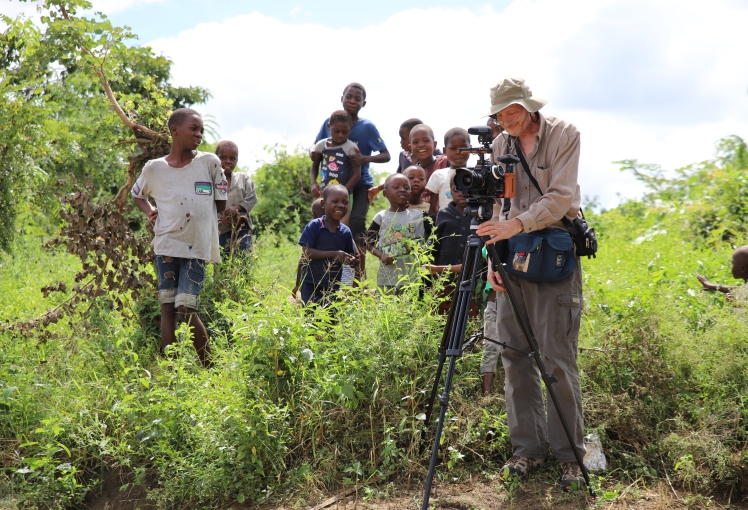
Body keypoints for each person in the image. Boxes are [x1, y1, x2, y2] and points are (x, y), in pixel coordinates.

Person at [475, 78, 586, 490]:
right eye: (500, 114)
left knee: (556, 359)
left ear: (528, 106)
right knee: (514, 356)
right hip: (512, 256)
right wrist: (492, 256)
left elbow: (561, 198)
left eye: (513, 111)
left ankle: (571, 457)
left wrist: (515, 225)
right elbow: (499, 203)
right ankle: (527, 451)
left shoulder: (564, 134)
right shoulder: (501, 144)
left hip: (554, 254)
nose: (507, 120)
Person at [132, 108, 226, 367]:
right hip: (167, 244)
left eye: (201, 130)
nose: (199, 134)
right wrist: (151, 210)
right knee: (167, 306)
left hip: (197, 247)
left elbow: (220, 204)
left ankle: (209, 367)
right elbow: (137, 194)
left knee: (185, 308)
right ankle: (171, 370)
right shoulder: (154, 168)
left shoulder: (209, 163)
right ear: (175, 131)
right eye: (193, 129)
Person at [314, 83, 391, 279]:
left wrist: (365, 158)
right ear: (342, 98)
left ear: (363, 103)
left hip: (360, 182)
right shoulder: (328, 122)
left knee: (357, 224)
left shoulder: (367, 127)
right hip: (335, 185)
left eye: (357, 98)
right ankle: (327, 272)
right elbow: (317, 150)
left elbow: (386, 155)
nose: (352, 101)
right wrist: (317, 180)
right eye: (349, 97)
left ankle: (359, 275)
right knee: (328, 223)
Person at [297, 185, 358, 306]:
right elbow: (307, 252)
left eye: (345, 202)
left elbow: (350, 255)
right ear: (324, 204)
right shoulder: (314, 226)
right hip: (310, 283)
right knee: (310, 317)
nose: (341, 205)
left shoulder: (345, 232)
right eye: (335, 201)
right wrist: (334, 254)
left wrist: (352, 261)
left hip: (333, 286)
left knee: (330, 319)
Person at [367, 173, 426, 294]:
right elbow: (367, 242)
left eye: (406, 187)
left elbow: (431, 239)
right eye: (396, 187)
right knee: (386, 309)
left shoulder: (419, 215)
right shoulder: (382, 217)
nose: (402, 190)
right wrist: (381, 255)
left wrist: (416, 248)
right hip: (387, 279)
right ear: (385, 193)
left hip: (413, 278)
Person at [310, 110, 362, 226]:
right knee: (319, 225)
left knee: (341, 226)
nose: (340, 135)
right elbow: (314, 166)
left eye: (345, 132)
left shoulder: (351, 148)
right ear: (329, 127)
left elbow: (357, 174)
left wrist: (343, 191)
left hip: (343, 197)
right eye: (336, 131)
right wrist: (313, 183)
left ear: (350, 130)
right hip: (323, 193)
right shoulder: (321, 145)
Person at [215, 140, 257, 254]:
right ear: (215, 158)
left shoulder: (243, 178)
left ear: (236, 161)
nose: (227, 161)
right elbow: (206, 202)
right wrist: (219, 218)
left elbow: (252, 197)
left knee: (244, 257)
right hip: (220, 228)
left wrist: (237, 208)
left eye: (232, 158)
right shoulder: (211, 180)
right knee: (222, 260)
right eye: (223, 158)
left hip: (241, 226)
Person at [426, 128, 471, 215]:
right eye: (453, 148)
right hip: (446, 225)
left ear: (471, 148)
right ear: (445, 151)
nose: (459, 152)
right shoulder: (438, 175)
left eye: (463, 147)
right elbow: (433, 209)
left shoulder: (476, 175)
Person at [292, 198, 325, 298]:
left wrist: (297, 285)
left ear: (313, 215)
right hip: (331, 283)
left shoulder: (312, 231)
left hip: (309, 283)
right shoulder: (340, 231)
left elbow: (302, 261)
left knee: (308, 311)